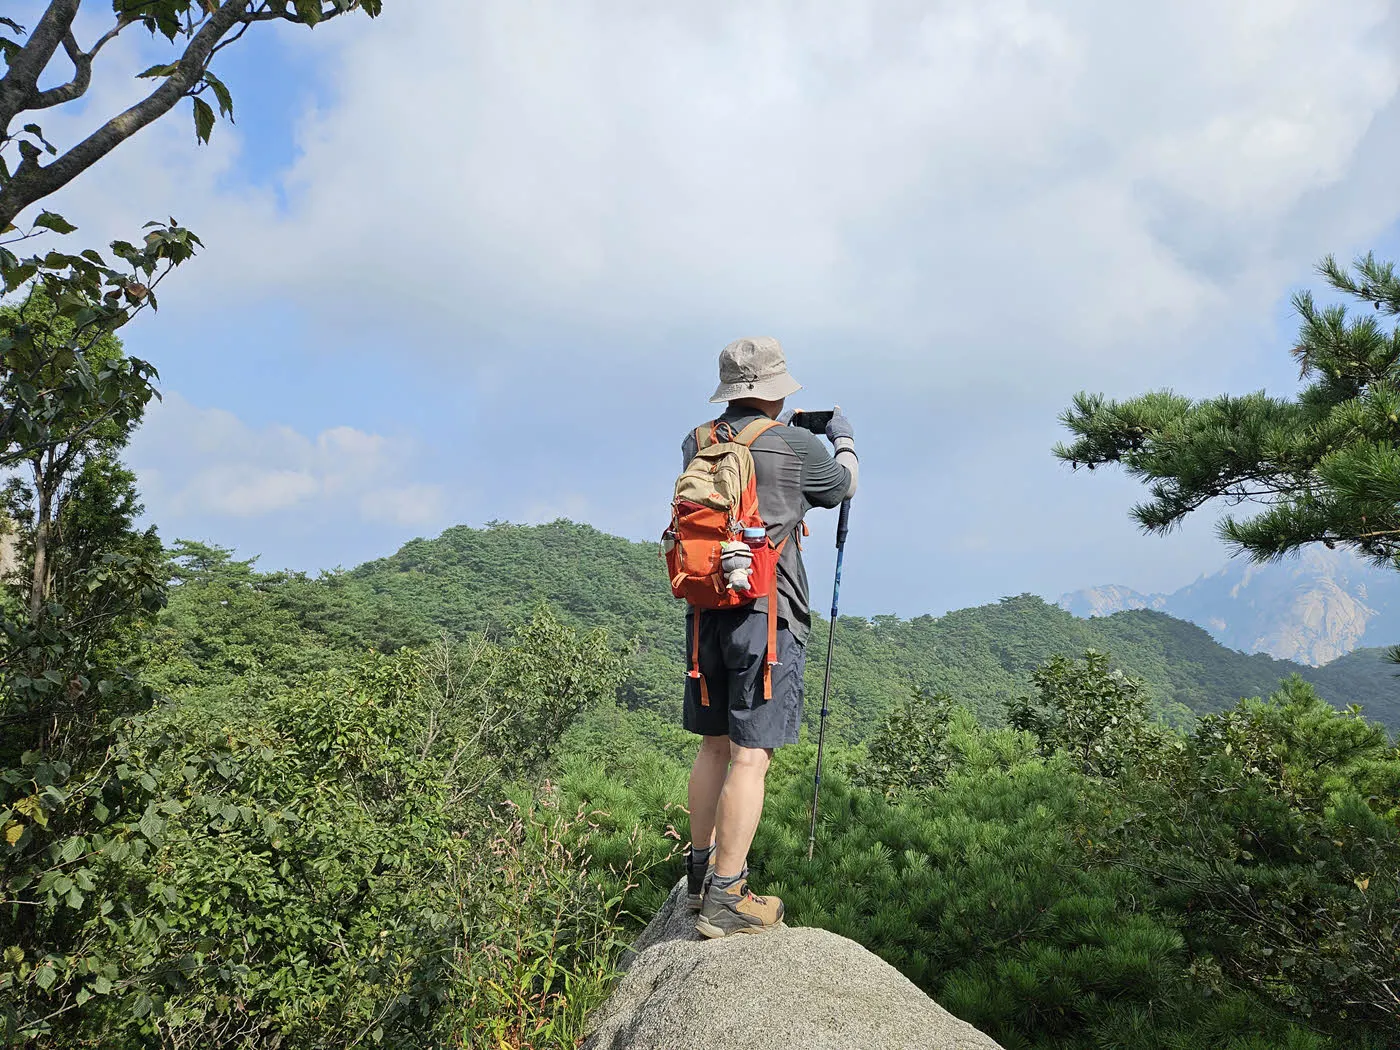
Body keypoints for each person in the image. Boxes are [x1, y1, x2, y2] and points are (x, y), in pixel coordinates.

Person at [683, 336, 858, 938]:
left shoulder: (700, 442)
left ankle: (699, 876)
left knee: (712, 748)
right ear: (775, 393)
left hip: (706, 610)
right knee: (750, 756)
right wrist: (845, 439)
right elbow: (840, 489)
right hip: (767, 618)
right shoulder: (795, 443)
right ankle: (729, 897)